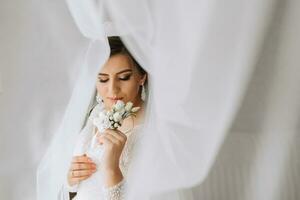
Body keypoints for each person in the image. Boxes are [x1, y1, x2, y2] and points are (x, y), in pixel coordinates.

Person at [58, 36, 148, 200]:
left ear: (141, 77)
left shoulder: (153, 129)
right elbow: (79, 186)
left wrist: (111, 168)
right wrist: (71, 178)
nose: (112, 89)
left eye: (123, 77)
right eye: (103, 79)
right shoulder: (98, 112)